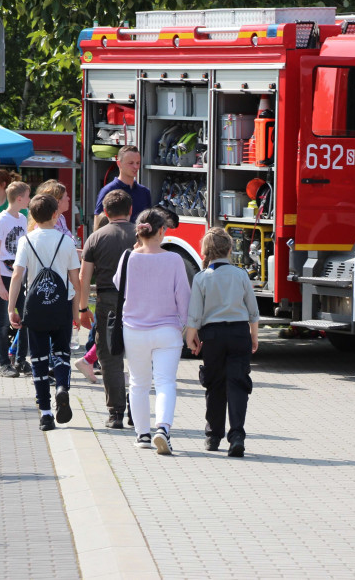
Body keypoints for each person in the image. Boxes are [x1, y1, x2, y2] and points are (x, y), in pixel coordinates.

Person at [112, 208, 190, 454]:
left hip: (134, 330)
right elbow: (183, 297)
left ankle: (142, 434)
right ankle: (163, 429)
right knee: (166, 382)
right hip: (167, 330)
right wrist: (188, 328)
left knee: (138, 384)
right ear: (162, 231)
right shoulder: (175, 259)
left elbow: (117, 284)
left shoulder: (128, 257)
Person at [184, 228, 260, 458]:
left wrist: (191, 337)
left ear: (206, 252)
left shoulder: (201, 278)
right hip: (238, 333)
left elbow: (195, 314)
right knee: (238, 385)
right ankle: (236, 435)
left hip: (213, 336)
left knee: (214, 384)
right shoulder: (241, 275)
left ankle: (213, 435)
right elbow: (253, 312)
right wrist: (253, 337)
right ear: (230, 250)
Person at [9, 193, 82, 431]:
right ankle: (62, 386)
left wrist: (12, 308)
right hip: (62, 306)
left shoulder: (26, 241)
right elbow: (76, 281)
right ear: (55, 214)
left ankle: (46, 414)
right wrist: (77, 310)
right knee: (62, 353)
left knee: (38, 361)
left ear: (32, 216)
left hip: (36, 309)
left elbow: (17, 276)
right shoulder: (67, 241)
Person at [78, 189, 135, 427]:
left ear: (105, 212)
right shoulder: (141, 235)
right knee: (138, 357)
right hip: (138, 302)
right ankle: (136, 407)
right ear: (131, 211)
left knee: (110, 359)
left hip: (107, 302)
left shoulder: (96, 237)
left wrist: (82, 308)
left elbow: (84, 277)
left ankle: (115, 414)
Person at [0, 180, 31, 377]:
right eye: (28, 196)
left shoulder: (23, 219)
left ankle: (21, 360)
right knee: (4, 321)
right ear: (19, 198)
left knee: (25, 317)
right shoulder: (1, 220)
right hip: (3, 275)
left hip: (19, 276)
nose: (30, 200)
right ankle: (4, 363)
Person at [93, 145, 151, 231]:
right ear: (119, 163)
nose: (136, 167)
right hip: (116, 242)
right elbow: (98, 225)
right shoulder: (108, 191)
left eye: (138, 163)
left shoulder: (144, 192)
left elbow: (148, 221)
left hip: (139, 242)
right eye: (131, 163)